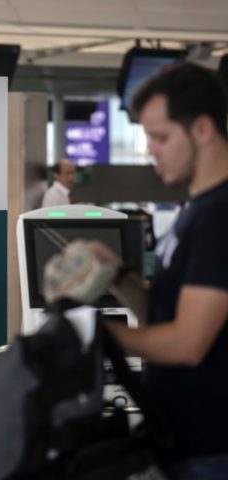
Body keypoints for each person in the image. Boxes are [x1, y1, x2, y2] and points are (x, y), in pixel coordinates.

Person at [81, 63, 228, 479]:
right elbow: (163, 316)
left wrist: (92, 336)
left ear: (202, 129)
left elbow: (187, 343)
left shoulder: (221, 215)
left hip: (215, 453)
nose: (150, 150)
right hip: (182, 446)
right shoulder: (195, 211)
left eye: (160, 137)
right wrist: (118, 278)